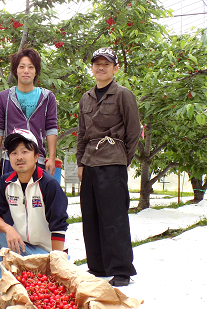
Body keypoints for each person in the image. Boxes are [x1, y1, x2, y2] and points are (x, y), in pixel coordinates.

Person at [76, 47, 140, 287]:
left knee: (114, 217)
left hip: (113, 162)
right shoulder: (86, 97)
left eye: (106, 64)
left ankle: (122, 269)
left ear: (115, 68)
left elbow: (133, 132)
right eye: (97, 64)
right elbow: (82, 133)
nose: (101, 67)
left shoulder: (123, 95)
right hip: (90, 163)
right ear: (92, 68)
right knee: (90, 216)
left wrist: (123, 159)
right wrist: (81, 162)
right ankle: (98, 266)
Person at [0, 129, 69, 277]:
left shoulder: (49, 185)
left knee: (48, 281)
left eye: (25, 151)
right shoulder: (6, 182)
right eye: (13, 153)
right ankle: (3, 282)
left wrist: (56, 264)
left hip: (46, 253)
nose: (19, 157)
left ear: (36, 156)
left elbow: (59, 227)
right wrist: (8, 229)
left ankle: (40, 275)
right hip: (21, 248)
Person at [0, 48, 58, 181]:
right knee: (10, 199)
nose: (26, 71)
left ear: (36, 71)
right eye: (22, 66)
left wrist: (52, 158)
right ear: (15, 70)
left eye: (30, 67)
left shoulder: (48, 97)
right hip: (10, 159)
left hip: (38, 159)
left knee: (36, 199)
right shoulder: (3, 97)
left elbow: (51, 128)